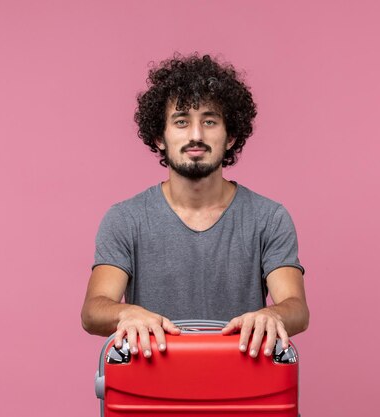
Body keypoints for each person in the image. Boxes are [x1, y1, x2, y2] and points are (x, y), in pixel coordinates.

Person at [81, 53, 309, 360]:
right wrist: (125, 313)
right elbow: (93, 310)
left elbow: (296, 306)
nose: (196, 135)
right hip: (152, 390)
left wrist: (274, 315)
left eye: (210, 121)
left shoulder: (269, 218)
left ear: (231, 137)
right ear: (160, 137)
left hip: (244, 389)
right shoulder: (125, 219)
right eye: (181, 122)